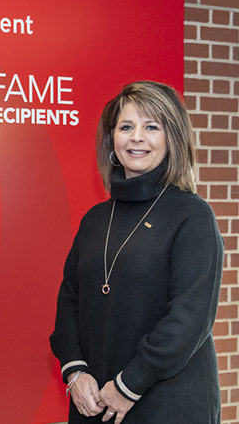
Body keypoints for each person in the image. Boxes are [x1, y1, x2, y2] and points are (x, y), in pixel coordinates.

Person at [49, 81, 223, 424]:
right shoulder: (95, 220)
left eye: (151, 127)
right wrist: (75, 372)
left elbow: (188, 320)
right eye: (126, 126)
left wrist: (129, 384)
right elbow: (69, 301)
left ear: (171, 139)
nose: (137, 137)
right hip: (95, 401)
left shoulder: (192, 216)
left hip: (166, 403)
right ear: (112, 139)